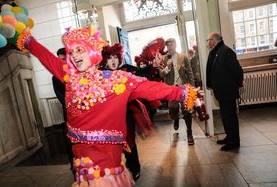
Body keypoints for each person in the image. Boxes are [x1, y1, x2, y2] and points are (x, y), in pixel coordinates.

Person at [16, 26, 199, 187]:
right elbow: (47, 58)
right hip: (80, 155)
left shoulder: (116, 80)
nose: (75, 56)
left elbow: (150, 89)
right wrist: (29, 41)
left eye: (80, 50)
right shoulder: (70, 77)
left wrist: (182, 93)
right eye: (71, 52)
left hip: (105, 155)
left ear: (92, 51)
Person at [100, 43, 141, 181]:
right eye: (110, 57)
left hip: (126, 115)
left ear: (120, 58)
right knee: (112, 147)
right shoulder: (100, 74)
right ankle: (114, 173)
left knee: (129, 143)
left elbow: (144, 73)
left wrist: (155, 65)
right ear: (105, 59)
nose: (113, 60)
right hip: (109, 118)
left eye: (115, 57)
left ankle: (134, 168)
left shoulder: (126, 70)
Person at [206, 32, 243, 151]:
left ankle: (234, 141)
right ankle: (229, 137)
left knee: (230, 116)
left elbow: (237, 70)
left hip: (228, 91)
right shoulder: (215, 52)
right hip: (221, 92)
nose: (208, 42)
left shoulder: (226, 51)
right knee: (225, 116)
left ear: (215, 40)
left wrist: (239, 84)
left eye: (209, 40)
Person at [158, 38, 195, 145]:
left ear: (175, 45)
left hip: (184, 87)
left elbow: (190, 73)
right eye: (168, 45)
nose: (170, 46)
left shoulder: (183, 57)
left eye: (172, 44)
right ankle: (176, 118)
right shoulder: (164, 59)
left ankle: (189, 133)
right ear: (166, 47)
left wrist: (192, 87)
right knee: (172, 109)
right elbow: (161, 74)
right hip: (171, 89)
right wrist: (168, 67)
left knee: (187, 111)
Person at [51, 48, 75, 179]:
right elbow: (61, 98)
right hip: (70, 115)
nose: (62, 62)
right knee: (71, 143)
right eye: (60, 59)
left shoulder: (76, 73)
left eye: (64, 59)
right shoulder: (55, 77)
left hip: (85, 115)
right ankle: (74, 168)